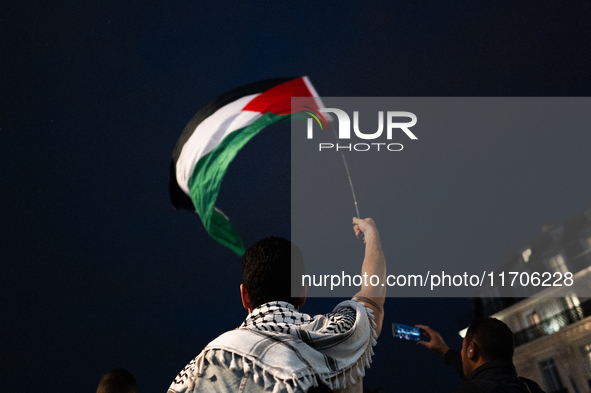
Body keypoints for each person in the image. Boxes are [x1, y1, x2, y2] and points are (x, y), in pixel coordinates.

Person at [167, 217, 386, 393]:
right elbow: (373, 292)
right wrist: (372, 236)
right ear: (302, 292)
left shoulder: (207, 362)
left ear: (245, 296)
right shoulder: (341, 332)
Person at [416, 318, 545, 393]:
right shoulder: (531, 388)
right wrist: (444, 350)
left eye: (463, 348)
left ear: (471, 350)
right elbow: (481, 371)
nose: (462, 353)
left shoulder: (474, 390)